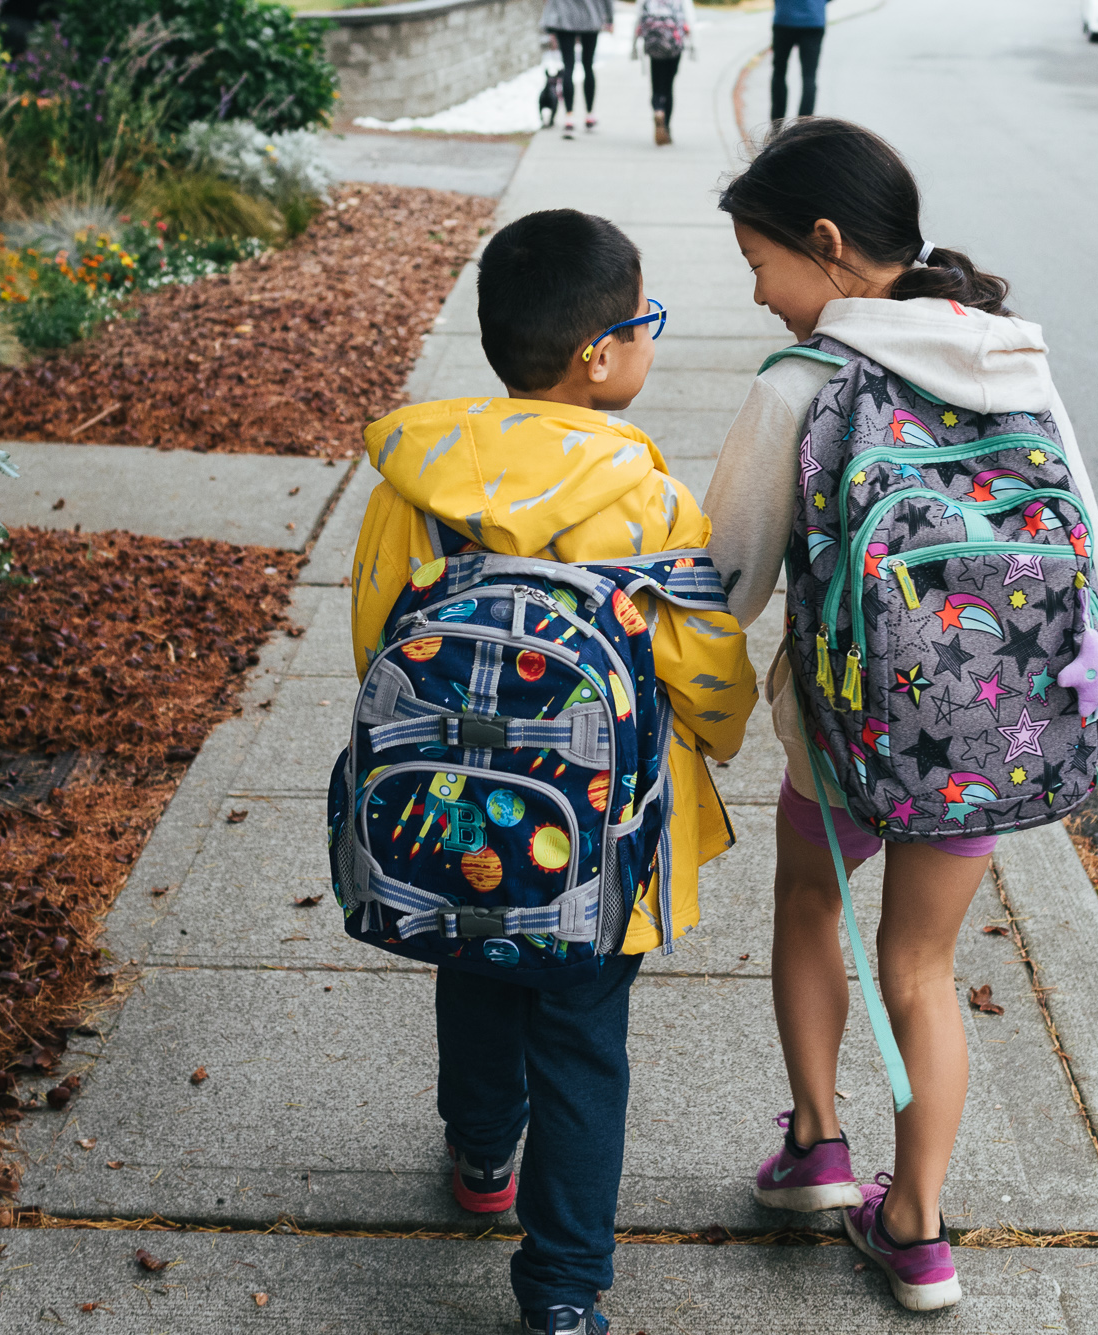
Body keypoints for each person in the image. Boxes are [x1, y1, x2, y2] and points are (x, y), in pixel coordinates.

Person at [702, 119, 1098, 1311]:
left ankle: (816, 1145)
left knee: (811, 903)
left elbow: (726, 576)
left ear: (828, 245)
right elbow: (1088, 550)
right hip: (988, 738)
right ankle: (916, 1229)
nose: (757, 296)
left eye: (760, 266)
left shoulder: (804, 383)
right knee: (923, 969)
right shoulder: (1006, 361)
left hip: (843, 742)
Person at [349, 208, 757, 1335]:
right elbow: (706, 672)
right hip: (601, 843)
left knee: (473, 973)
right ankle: (564, 1293)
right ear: (599, 353)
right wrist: (714, 748)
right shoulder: (647, 501)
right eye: (645, 324)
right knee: (581, 1043)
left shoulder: (411, 485)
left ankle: (482, 1156)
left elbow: (374, 642)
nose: (649, 344)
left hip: (447, 818)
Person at [542, 0, 614, 138]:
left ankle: (569, 118)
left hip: (565, 19)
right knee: (588, 66)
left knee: (568, 66)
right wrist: (610, 18)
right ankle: (589, 115)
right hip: (591, 17)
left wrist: (547, 22)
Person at [633, 0, 698, 146]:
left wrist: (633, 47)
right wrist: (693, 45)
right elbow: (690, 17)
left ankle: (658, 109)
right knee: (669, 85)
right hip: (673, 45)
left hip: (654, 45)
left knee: (656, 84)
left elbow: (638, 18)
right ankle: (666, 128)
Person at [770, 0, 827, 123]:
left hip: (784, 17)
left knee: (779, 73)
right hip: (813, 19)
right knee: (809, 77)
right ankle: (803, 129)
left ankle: (776, 126)